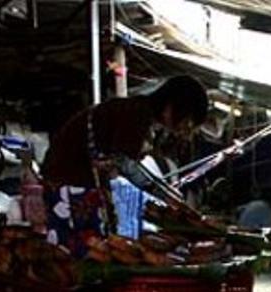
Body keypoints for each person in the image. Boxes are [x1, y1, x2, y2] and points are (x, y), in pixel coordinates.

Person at [41, 75, 208, 257]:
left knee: (87, 250)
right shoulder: (135, 114)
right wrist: (165, 196)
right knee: (82, 253)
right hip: (70, 184)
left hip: (71, 182)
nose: (185, 127)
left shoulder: (136, 111)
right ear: (171, 106)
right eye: (187, 120)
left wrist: (165, 193)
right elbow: (125, 164)